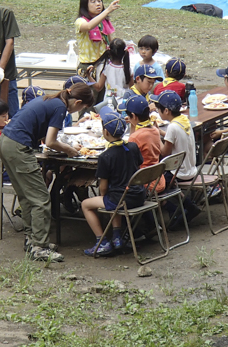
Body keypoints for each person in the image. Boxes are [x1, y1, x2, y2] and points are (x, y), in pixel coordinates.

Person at [0, 83, 94, 262]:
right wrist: (69, 150)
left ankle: (32, 239)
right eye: (82, 107)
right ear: (78, 102)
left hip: (6, 141)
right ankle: (39, 247)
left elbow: (43, 133)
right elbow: (50, 141)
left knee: (27, 197)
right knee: (41, 199)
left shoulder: (50, 99)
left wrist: (65, 146)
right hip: (18, 146)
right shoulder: (60, 107)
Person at [81, 107, 145, 256]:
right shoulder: (133, 147)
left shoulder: (106, 156)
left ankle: (101, 241)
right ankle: (117, 237)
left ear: (106, 132)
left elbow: (103, 188)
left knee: (86, 204)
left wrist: (103, 195)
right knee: (113, 196)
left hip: (121, 199)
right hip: (139, 195)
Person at [151, 91, 202, 227]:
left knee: (155, 187)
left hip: (178, 173)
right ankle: (187, 206)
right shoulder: (184, 120)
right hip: (191, 168)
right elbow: (173, 136)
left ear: (166, 110)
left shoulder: (172, 127)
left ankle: (179, 210)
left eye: (158, 109)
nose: (157, 111)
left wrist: (156, 135)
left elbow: (164, 153)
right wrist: (161, 132)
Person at [75, 0, 120, 83]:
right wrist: (108, 10)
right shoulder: (80, 21)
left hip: (103, 63)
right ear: (85, 5)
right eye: (93, 1)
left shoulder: (104, 22)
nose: (98, 4)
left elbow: (110, 42)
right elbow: (89, 26)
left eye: (99, 0)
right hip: (87, 66)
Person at [123, 96, 166, 194]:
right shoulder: (155, 130)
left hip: (144, 183)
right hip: (158, 179)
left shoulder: (135, 137)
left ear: (133, 116)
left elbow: (129, 160)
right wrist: (132, 123)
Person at [91, 38, 134, 104]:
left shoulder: (107, 68)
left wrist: (88, 76)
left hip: (109, 103)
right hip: (124, 104)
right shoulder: (128, 69)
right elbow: (132, 89)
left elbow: (98, 87)